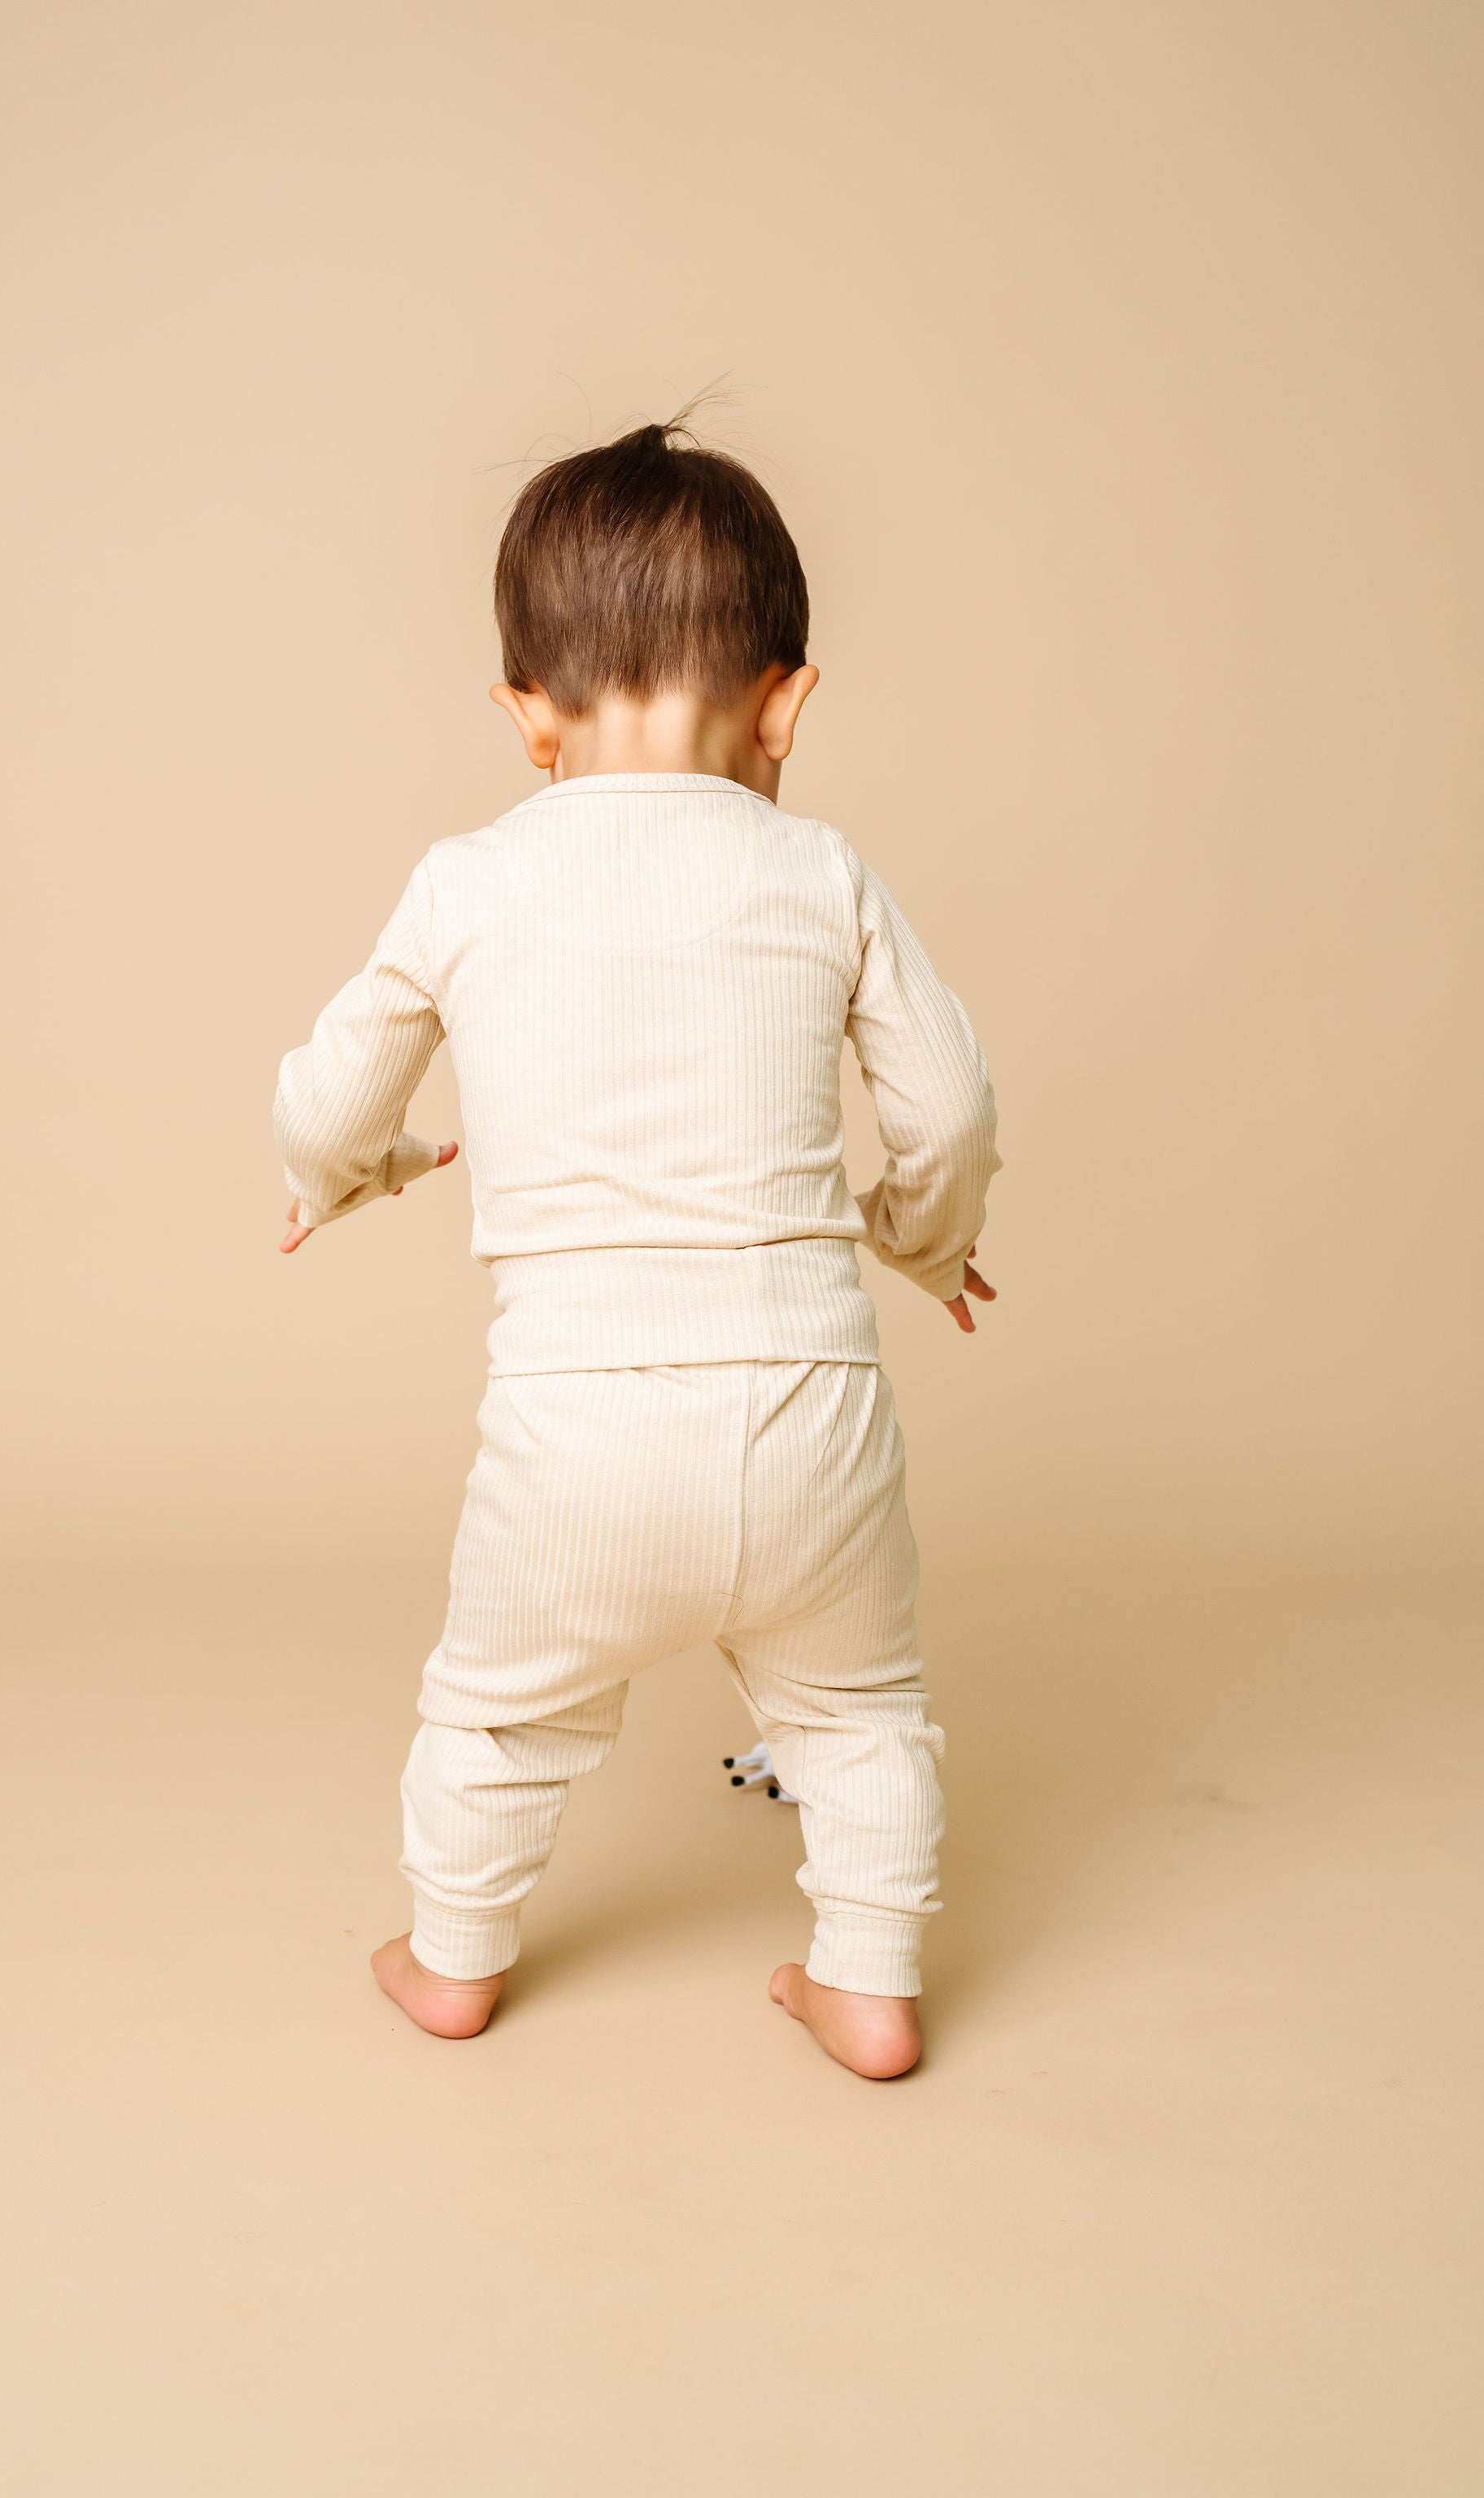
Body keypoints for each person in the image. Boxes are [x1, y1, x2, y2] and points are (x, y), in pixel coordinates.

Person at [273, 417, 999, 2078]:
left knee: (496, 1713)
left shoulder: (468, 882)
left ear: (525, 715)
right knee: (858, 1714)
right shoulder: (821, 871)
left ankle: (452, 1957)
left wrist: (359, 1176)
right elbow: (949, 1108)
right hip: (811, 1411)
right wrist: (917, 1238)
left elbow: (325, 1105)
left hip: (575, 1431)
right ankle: (867, 1980)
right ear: (785, 706)